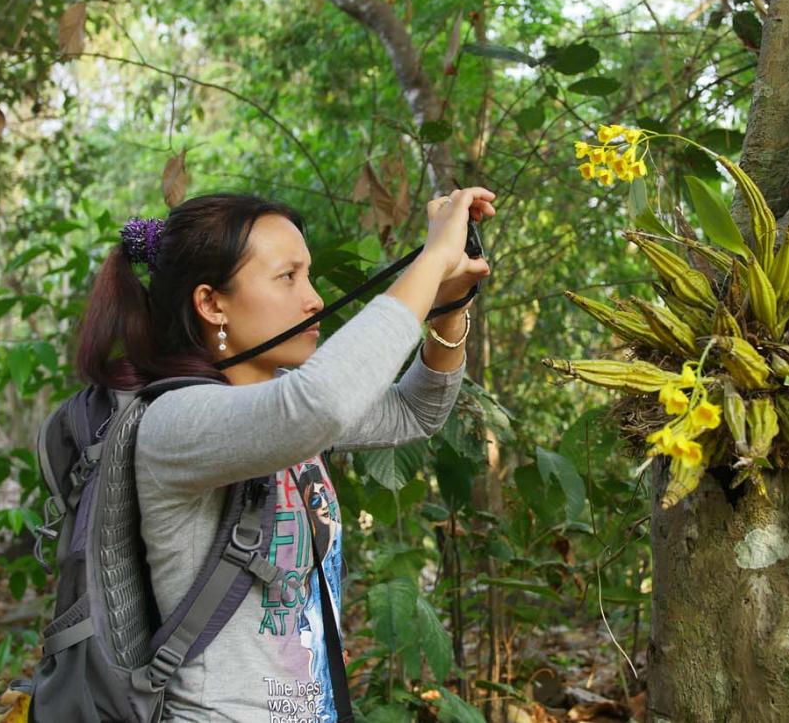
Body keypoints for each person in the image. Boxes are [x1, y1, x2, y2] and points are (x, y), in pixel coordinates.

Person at [73, 187, 496, 721]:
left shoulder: (272, 402)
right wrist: (431, 259)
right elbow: (318, 405)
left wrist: (449, 305)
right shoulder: (177, 423)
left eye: (309, 275)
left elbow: (415, 411)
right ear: (211, 303)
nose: (314, 298)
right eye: (287, 277)